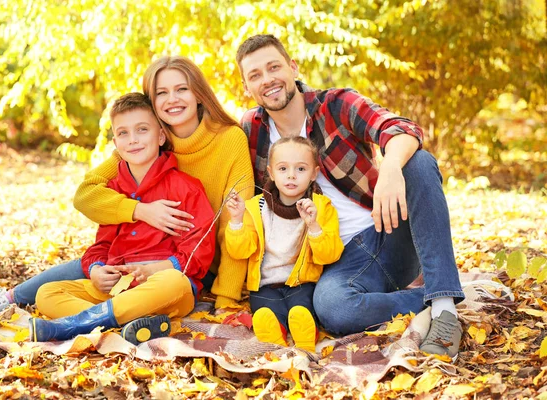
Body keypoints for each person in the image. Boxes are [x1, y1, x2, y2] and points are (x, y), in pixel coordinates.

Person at [235, 34, 465, 359]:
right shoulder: (251, 130)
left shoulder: (335, 104)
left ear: (292, 67)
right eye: (255, 75)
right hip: (332, 261)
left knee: (418, 162)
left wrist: (390, 167)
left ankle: (444, 311)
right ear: (247, 86)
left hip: (386, 230)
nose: (267, 80)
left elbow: (401, 128)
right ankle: (429, 296)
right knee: (333, 309)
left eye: (274, 67)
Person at [30, 92, 216, 344]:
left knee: (175, 282)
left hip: (161, 286)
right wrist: (96, 270)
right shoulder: (114, 192)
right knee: (47, 292)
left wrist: (152, 270)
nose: (133, 140)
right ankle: (128, 323)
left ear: (161, 136)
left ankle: (80, 324)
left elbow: (198, 252)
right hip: (117, 287)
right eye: (123, 133)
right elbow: (101, 246)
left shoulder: (186, 188)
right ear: (116, 143)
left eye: (142, 130)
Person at [225, 137, 342, 352]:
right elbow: (241, 251)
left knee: (301, 310)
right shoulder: (255, 208)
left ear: (314, 174)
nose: (291, 175)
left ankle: (306, 337)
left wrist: (313, 225)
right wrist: (236, 220)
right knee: (267, 313)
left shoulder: (322, 208)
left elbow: (330, 255)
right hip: (265, 285)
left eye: (300, 169)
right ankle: (275, 337)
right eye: (282, 168)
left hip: (302, 283)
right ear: (271, 173)